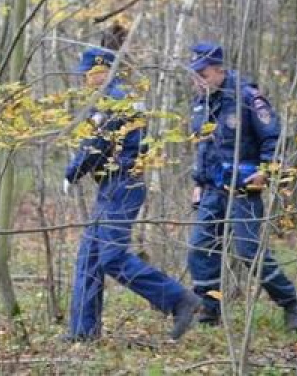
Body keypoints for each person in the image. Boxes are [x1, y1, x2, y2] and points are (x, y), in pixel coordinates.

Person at [62, 42, 201, 342]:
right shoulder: (117, 97)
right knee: (89, 257)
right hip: (113, 186)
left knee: (110, 258)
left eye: (88, 73)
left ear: (101, 72)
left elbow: (95, 146)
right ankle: (83, 332)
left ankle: (178, 299)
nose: (84, 79)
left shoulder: (114, 101)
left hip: (123, 186)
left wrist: (72, 172)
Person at [185, 42, 297, 331]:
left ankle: (290, 304)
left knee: (249, 251)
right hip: (212, 190)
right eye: (194, 75)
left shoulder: (248, 98)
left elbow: (274, 139)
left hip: (243, 191)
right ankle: (209, 310)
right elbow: (203, 147)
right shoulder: (201, 104)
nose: (198, 81)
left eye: (203, 74)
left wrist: (265, 172)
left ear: (219, 70)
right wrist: (199, 183)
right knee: (200, 249)